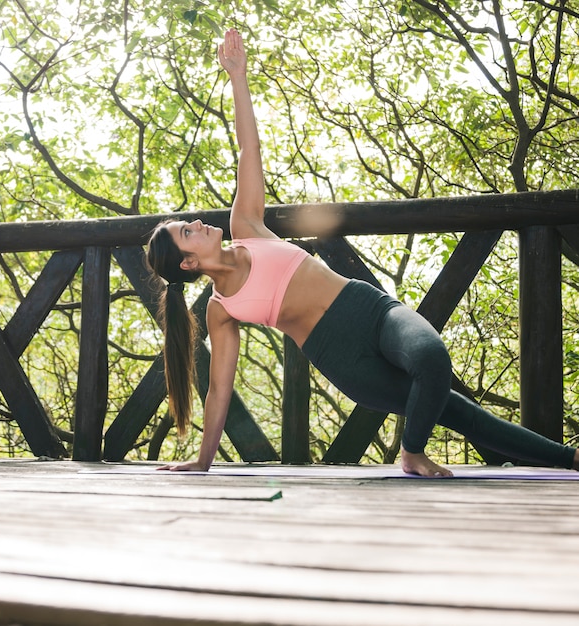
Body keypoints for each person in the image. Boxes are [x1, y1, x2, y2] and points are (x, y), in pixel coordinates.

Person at [146, 28, 579, 477]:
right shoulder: (222, 308)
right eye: (187, 231)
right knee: (453, 409)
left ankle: (411, 451)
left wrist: (239, 77)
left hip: (370, 309)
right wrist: (202, 459)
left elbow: (247, 148)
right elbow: (219, 390)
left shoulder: (247, 227)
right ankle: (570, 459)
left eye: (189, 222)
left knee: (431, 359)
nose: (197, 223)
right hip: (341, 356)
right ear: (189, 263)